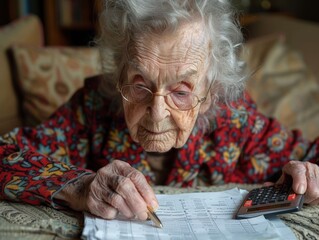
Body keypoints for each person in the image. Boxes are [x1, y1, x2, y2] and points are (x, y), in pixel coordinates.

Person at [1, 0, 319, 222]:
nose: (156, 113)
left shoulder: (237, 121)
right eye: (140, 84)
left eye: (181, 92)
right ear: (119, 73)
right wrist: (80, 186)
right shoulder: (91, 109)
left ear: (211, 92)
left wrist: (310, 173)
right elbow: (5, 155)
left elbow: (310, 157)